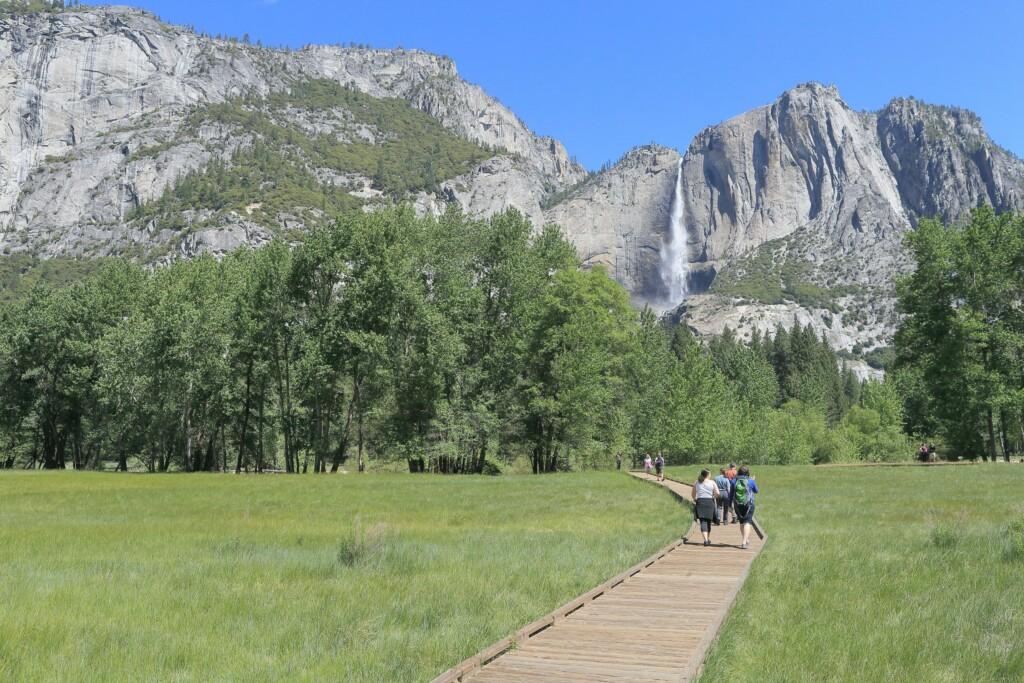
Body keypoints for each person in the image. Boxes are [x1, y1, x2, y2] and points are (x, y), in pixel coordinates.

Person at [732, 465, 760, 549]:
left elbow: (730, 494)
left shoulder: (734, 481)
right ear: (747, 473)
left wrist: (730, 504)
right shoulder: (750, 481)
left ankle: (746, 539)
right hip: (749, 504)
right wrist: (753, 481)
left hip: (737, 505)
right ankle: (744, 542)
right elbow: (756, 491)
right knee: (748, 522)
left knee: (741, 522)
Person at [691, 468, 721, 546]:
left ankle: (706, 540)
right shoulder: (712, 482)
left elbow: (693, 494)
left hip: (700, 502)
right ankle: (707, 539)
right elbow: (717, 493)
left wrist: (695, 499)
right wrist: (713, 497)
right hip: (709, 502)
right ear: (707, 475)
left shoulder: (697, 482)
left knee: (703, 521)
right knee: (708, 521)